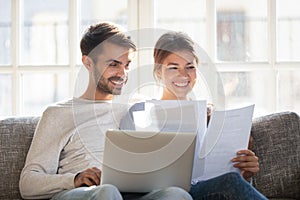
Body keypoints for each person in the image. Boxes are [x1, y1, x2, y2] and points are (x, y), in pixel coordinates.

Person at [19, 22, 193, 200]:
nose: (122, 73)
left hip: (133, 194)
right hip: (84, 193)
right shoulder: (59, 114)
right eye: (114, 64)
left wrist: (202, 115)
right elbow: (28, 183)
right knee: (107, 192)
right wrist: (75, 179)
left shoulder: (139, 106)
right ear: (88, 62)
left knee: (176, 194)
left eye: (127, 65)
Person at [120, 31, 267, 200]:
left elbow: (230, 184)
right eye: (173, 68)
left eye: (190, 67)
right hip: (161, 195)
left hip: (206, 192)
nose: (183, 75)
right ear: (158, 72)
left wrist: (246, 173)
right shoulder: (139, 113)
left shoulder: (212, 118)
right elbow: (126, 174)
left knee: (231, 181)